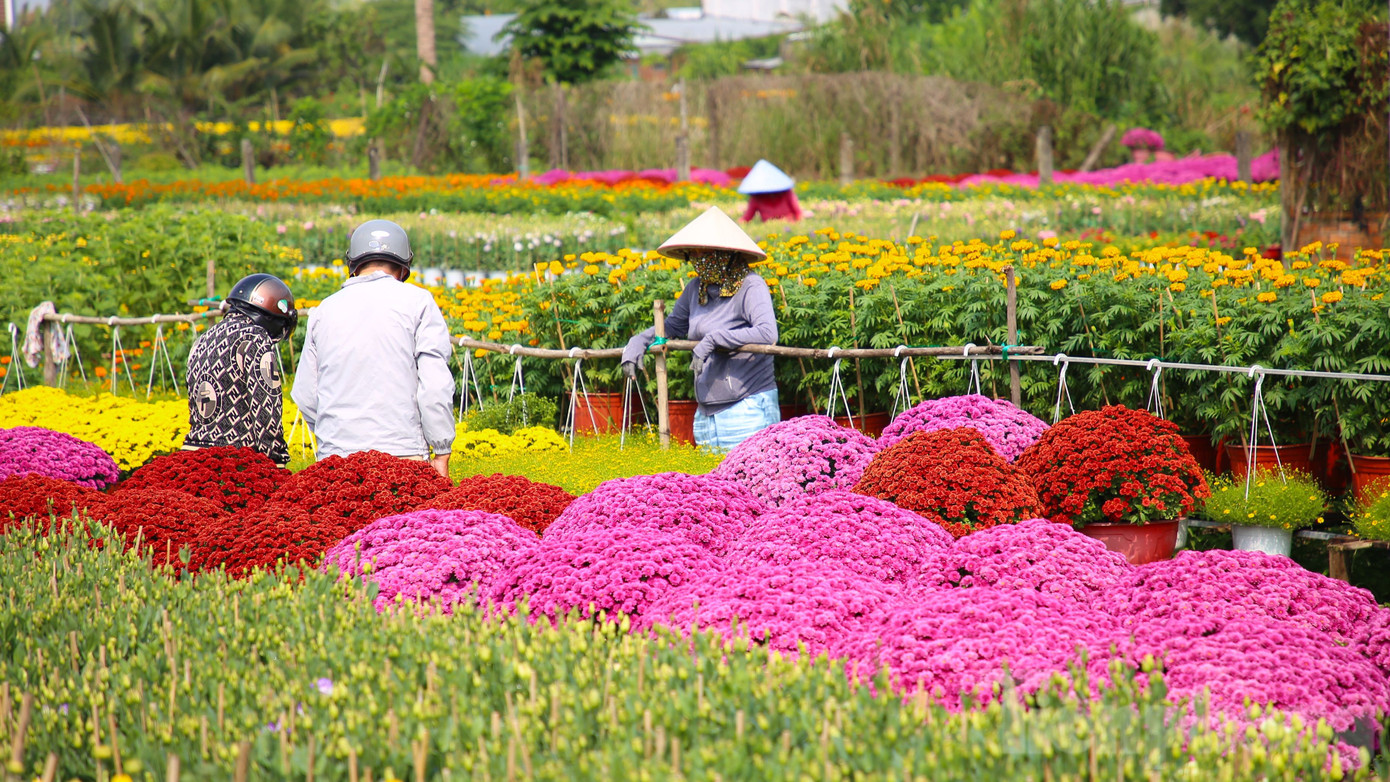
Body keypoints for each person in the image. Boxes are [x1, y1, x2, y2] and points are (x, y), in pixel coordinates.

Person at [291, 219, 456, 478]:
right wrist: (442, 450)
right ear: (404, 268)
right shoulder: (418, 302)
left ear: (354, 266)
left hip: (336, 461)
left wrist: (336, 439)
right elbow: (435, 388)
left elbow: (305, 394)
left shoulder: (324, 310)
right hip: (403, 456)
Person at [621, 206, 780, 451]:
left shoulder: (751, 285)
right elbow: (672, 325)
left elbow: (767, 333)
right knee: (711, 487)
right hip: (706, 411)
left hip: (747, 406)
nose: (698, 261)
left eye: (703, 254)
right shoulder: (697, 288)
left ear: (724, 254)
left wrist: (714, 339)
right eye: (693, 255)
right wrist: (637, 342)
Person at [185, 274, 298, 467]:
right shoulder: (255, 339)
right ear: (272, 316)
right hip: (236, 462)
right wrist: (277, 463)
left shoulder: (202, 339)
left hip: (193, 457)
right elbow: (266, 411)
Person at [739, 159, 803, 223]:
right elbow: (746, 218)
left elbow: (798, 212)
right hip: (774, 226)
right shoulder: (756, 198)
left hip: (786, 224)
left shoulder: (787, 193)